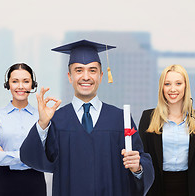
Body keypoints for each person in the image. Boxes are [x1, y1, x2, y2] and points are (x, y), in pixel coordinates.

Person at [19, 39, 155, 196]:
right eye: (78, 70)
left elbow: (141, 160)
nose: (86, 77)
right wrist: (43, 123)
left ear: (101, 76)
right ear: (69, 77)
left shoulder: (120, 119)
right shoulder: (57, 120)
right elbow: (32, 158)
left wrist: (138, 168)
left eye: (92, 70)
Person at [138, 64, 195, 196]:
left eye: (178, 83)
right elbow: (143, 161)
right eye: (167, 84)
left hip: (190, 190)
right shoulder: (148, 118)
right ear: (162, 88)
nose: (173, 89)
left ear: (185, 86)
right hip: (156, 189)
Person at [0, 63, 47, 196]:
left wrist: (5, 153)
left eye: (26, 81)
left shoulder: (41, 117)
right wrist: (29, 156)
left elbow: (46, 155)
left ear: (32, 85)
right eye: (15, 81)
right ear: (8, 85)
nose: (20, 86)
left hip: (35, 182)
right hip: (5, 182)